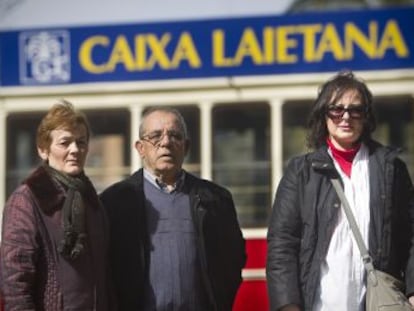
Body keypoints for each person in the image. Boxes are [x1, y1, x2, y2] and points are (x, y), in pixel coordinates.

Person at [266, 71, 414, 311]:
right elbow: (282, 244)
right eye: (336, 109)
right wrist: (288, 305)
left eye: (356, 110)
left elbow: (411, 235)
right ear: (324, 115)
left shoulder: (391, 168)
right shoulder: (301, 172)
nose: (346, 117)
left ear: (366, 117)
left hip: (378, 304)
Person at [100, 106, 246, 311]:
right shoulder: (113, 202)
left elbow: (233, 258)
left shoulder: (216, 200)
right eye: (156, 136)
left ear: (185, 147)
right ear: (141, 148)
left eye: (175, 136)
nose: (166, 142)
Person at [0, 100, 114, 311]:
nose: (75, 150)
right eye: (65, 143)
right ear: (43, 150)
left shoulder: (92, 201)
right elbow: (15, 283)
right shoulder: (26, 201)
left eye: (81, 142)